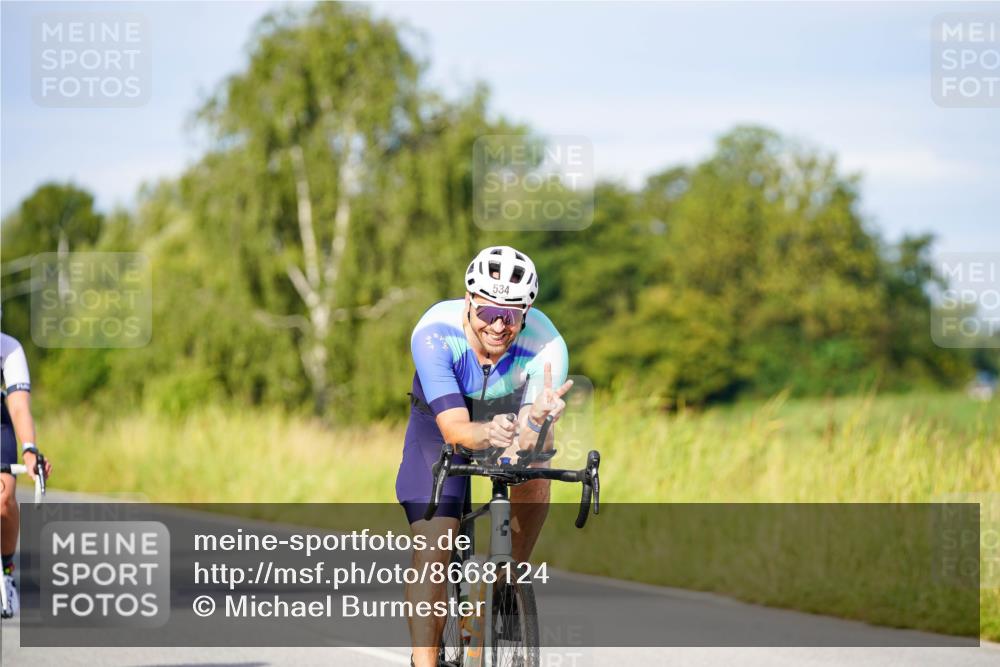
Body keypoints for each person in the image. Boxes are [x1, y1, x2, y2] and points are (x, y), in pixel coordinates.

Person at [396, 245, 572, 667]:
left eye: (510, 315)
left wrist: (536, 422)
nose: (498, 324)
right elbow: (455, 430)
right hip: (441, 423)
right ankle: (425, 662)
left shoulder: (546, 346)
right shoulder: (435, 333)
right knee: (435, 547)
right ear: (469, 301)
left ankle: (504, 584)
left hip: (509, 415)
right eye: (488, 311)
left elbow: (529, 442)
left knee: (537, 468)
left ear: (526, 313)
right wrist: (487, 432)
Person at [1, 323, 52, 619]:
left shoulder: (9, 348)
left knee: (4, 495)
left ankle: (6, 570)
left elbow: (18, 407)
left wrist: (30, 449)